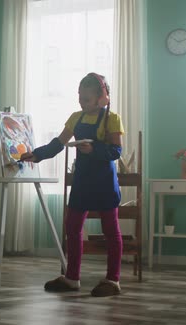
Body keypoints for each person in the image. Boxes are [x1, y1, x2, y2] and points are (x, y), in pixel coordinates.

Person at [20, 73, 124, 297]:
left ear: (102, 98)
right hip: (82, 181)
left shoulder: (112, 119)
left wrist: (94, 149)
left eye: (86, 99)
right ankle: (72, 277)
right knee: (72, 229)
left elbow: (116, 151)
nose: (82, 102)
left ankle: (113, 280)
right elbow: (58, 143)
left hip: (105, 183)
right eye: (80, 97)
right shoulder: (75, 118)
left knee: (111, 232)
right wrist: (37, 155)